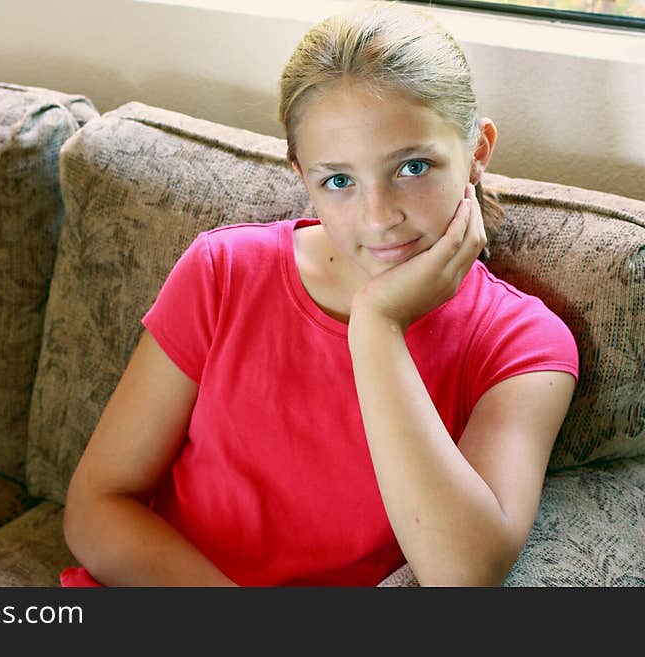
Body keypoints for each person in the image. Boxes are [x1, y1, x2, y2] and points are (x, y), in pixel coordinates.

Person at [60, 1, 578, 587]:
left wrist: (377, 327)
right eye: (338, 181)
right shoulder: (222, 272)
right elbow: (96, 507)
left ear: (477, 153)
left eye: (412, 167)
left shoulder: (522, 346)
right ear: (300, 172)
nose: (379, 216)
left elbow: (463, 575)